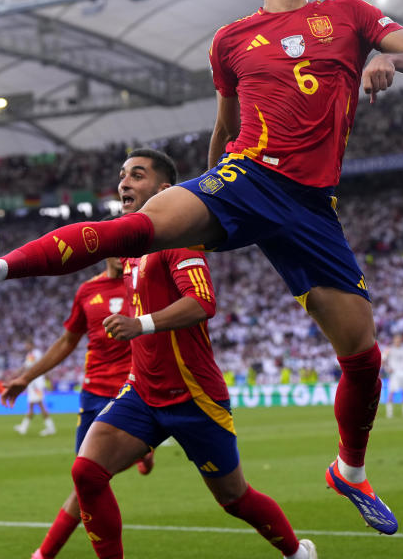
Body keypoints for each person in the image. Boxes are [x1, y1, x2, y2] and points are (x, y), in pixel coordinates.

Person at [0, 0, 403, 534]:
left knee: (362, 355)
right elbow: (224, 125)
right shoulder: (231, 40)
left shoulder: (350, 14)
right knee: (141, 225)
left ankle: (351, 470)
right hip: (248, 174)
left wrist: (389, 56)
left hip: (312, 207)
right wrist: (201, 192)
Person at [34, 149, 317, 558]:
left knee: (234, 498)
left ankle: (296, 553)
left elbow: (203, 303)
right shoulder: (133, 249)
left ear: (165, 190)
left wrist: (141, 323)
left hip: (194, 396)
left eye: (137, 175)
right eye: (122, 176)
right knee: (87, 472)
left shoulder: (179, 241)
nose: (124, 183)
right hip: (144, 393)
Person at [1, 256, 153, 559]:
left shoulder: (143, 284)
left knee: (91, 480)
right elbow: (67, 341)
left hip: (132, 394)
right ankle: (143, 453)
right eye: (117, 247)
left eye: (128, 248)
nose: (122, 255)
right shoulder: (87, 291)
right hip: (93, 395)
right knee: (86, 484)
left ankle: (43, 554)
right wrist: (26, 378)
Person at [12, 340, 56, 436]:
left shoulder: (36, 353)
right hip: (32, 383)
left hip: (37, 383)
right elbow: (26, 367)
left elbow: (42, 365)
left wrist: (48, 380)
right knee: (31, 405)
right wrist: (18, 373)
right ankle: (23, 427)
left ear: (31, 344)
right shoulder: (30, 354)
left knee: (40, 405)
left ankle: (50, 427)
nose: (25, 346)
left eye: (27, 344)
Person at [383, 334, 403, 418]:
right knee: (392, 392)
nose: (398, 341)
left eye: (399, 340)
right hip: (394, 373)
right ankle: (389, 412)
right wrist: (387, 369)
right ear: (394, 340)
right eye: (396, 340)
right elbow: (383, 360)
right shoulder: (389, 349)